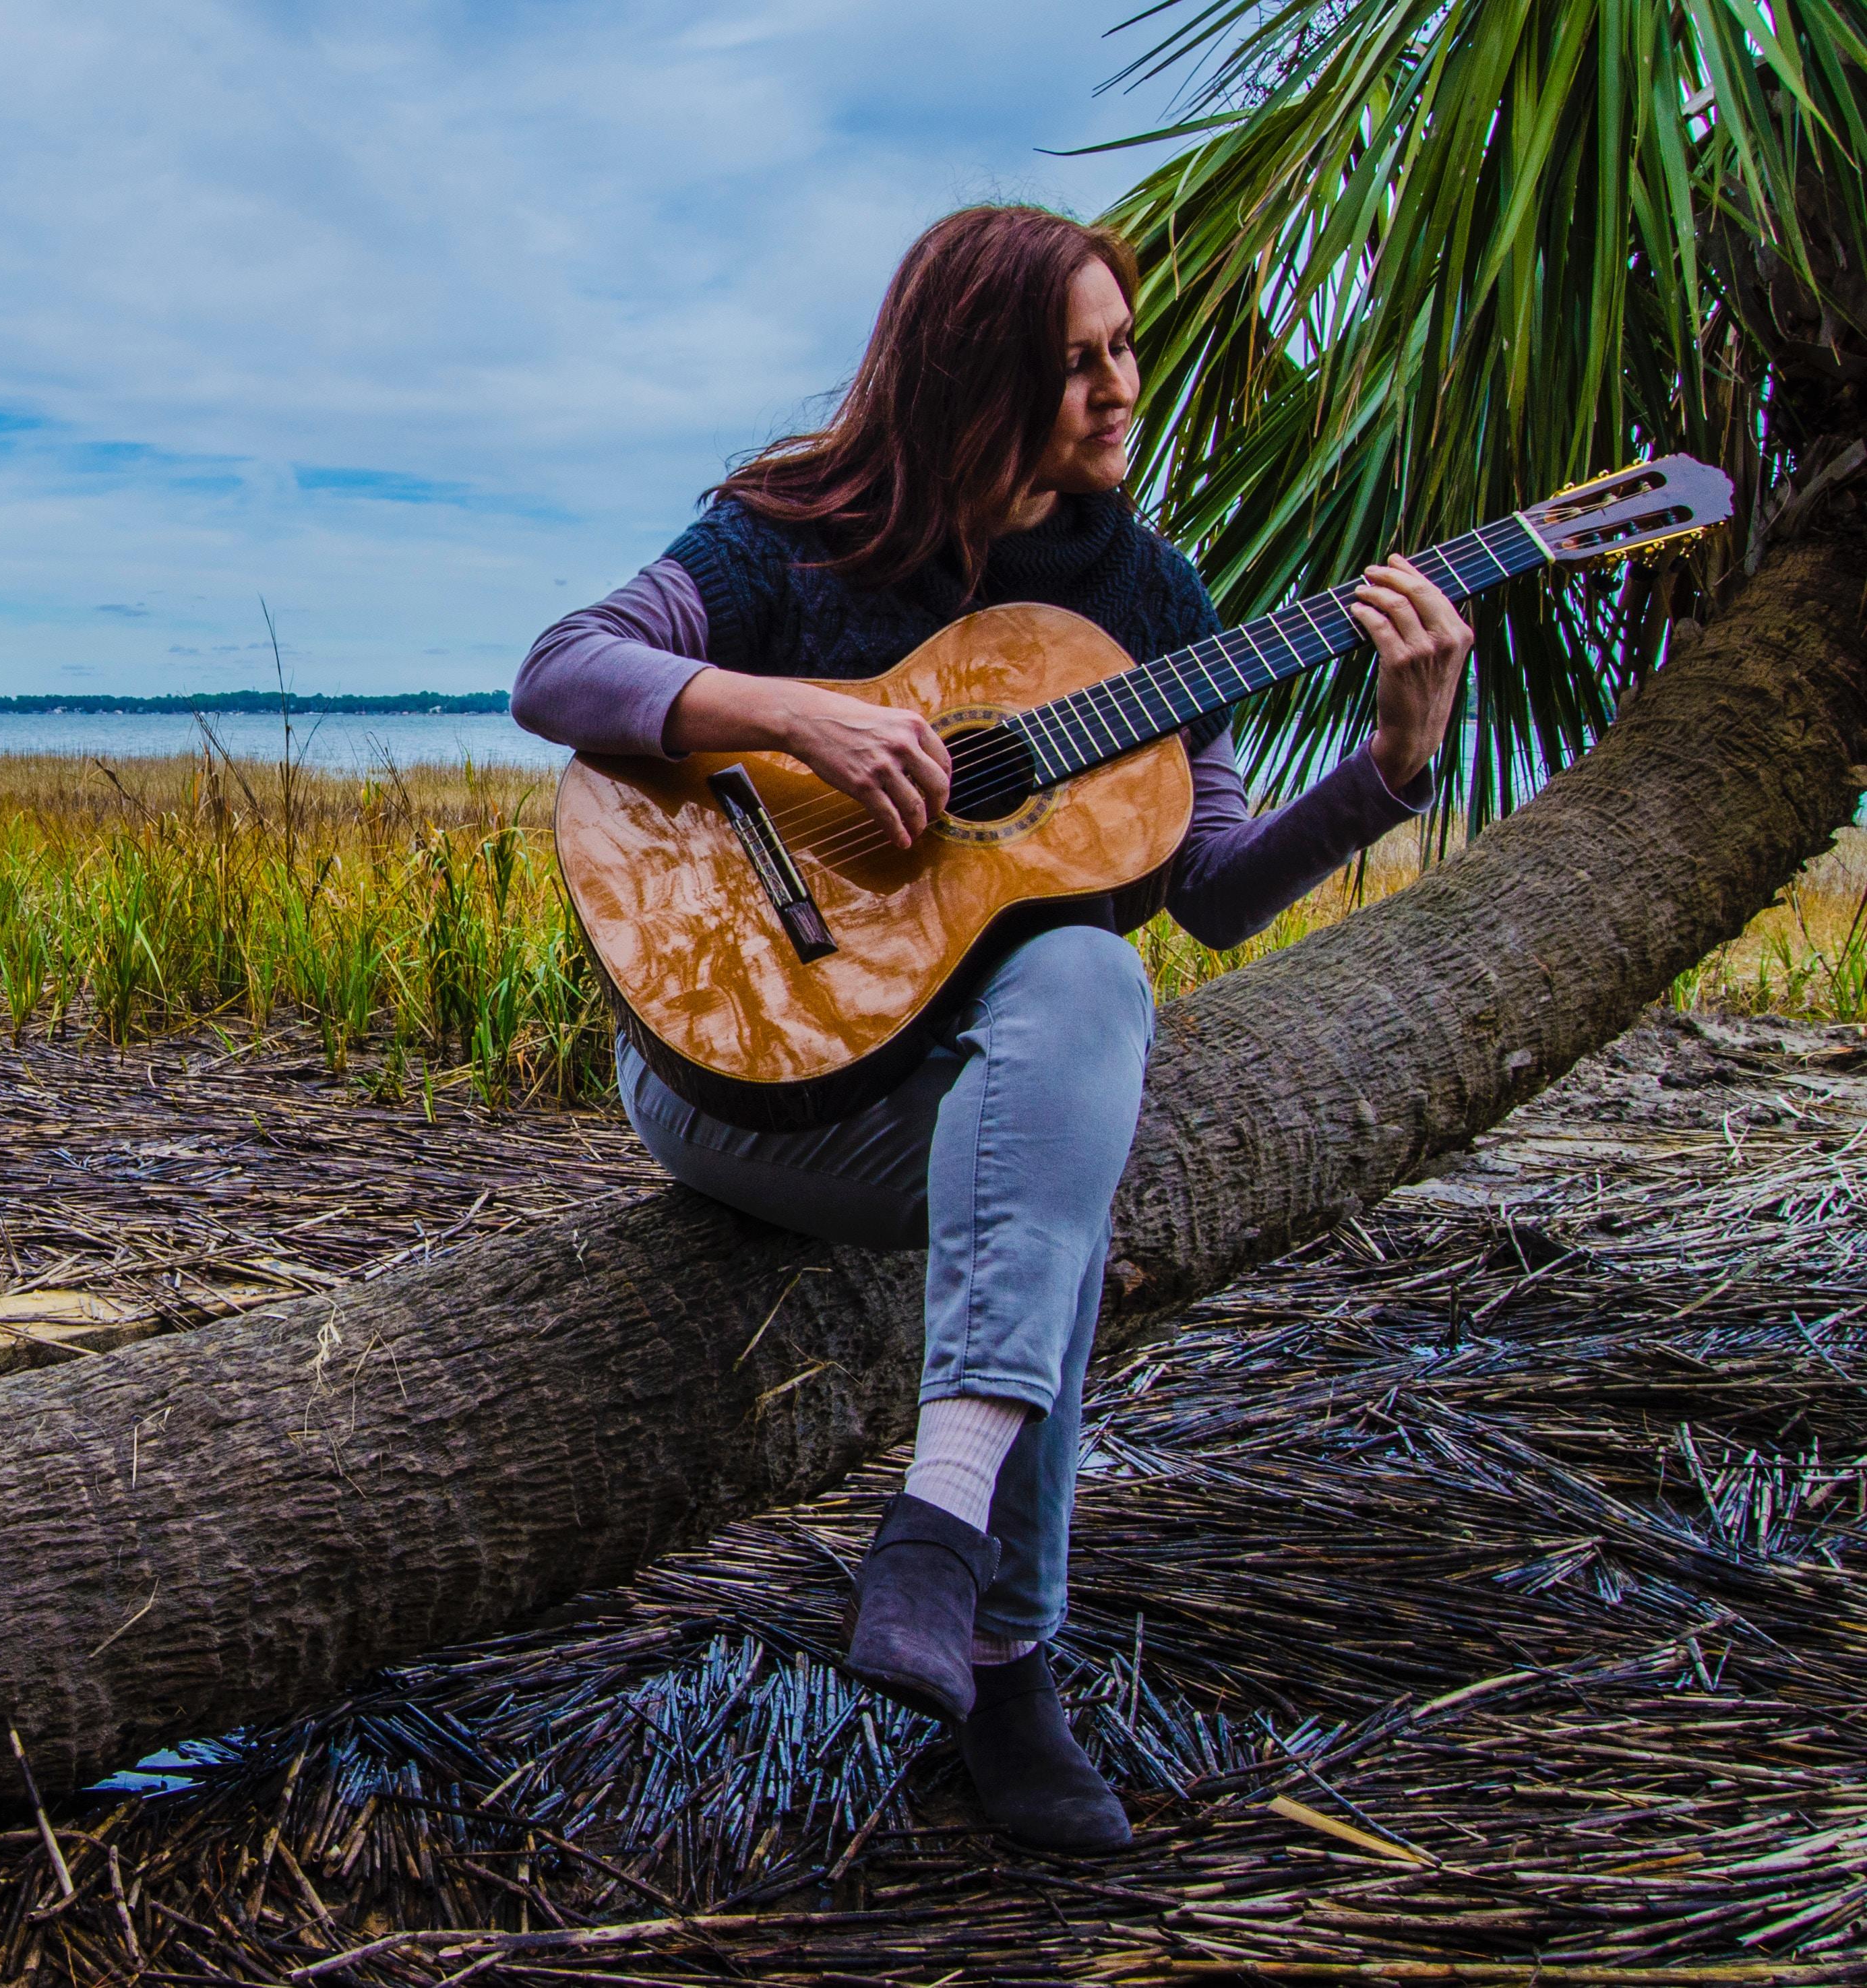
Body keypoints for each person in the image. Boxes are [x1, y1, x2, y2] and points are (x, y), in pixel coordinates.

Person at [512, 206, 1471, 1854]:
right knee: (1063, 1188)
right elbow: (557, 668)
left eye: (1123, 349)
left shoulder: (1149, 599)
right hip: (736, 1084)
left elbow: (1219, 890)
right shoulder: (792, 531)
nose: (1118, 389)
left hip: (972, 1100)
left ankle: (936, 1529)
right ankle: (1016, 1669)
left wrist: (1389, 763)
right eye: (1074, 361)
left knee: (1091, 985)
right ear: (974, 377)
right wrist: (788, 708)